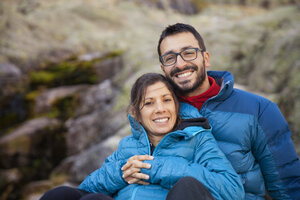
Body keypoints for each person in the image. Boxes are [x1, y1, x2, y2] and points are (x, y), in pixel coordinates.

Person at [40, 73, 245, 200]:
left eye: (166, 100)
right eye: (149, 103)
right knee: (60, 194)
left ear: (176, 106)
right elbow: (86, 187)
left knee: (187, 186)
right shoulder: (128, 145)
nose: (160, 109)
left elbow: (233, 190)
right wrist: (121, 174)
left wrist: (157, 168)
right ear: (135, 113)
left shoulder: (197, 139)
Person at [154, 23, 300, 199]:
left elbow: (287, 185)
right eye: (170, 58)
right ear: (163, 69)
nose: (180, 63)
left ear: (205, 58)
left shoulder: (259, 110)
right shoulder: (156, 114)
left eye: (188, 53)